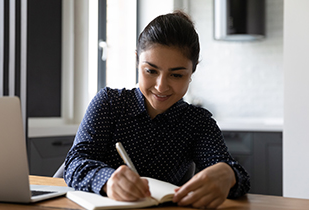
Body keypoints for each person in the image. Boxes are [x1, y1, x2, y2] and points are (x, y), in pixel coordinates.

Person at [64, 11, 250, 209]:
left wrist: (228, 175)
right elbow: (75, 163)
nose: (161, 87)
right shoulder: (109, 103)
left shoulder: (197, 122)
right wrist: (107, 180)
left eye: (176, 75)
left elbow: (240, 177)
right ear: (137, 61)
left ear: (192, 72)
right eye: (151, 71)